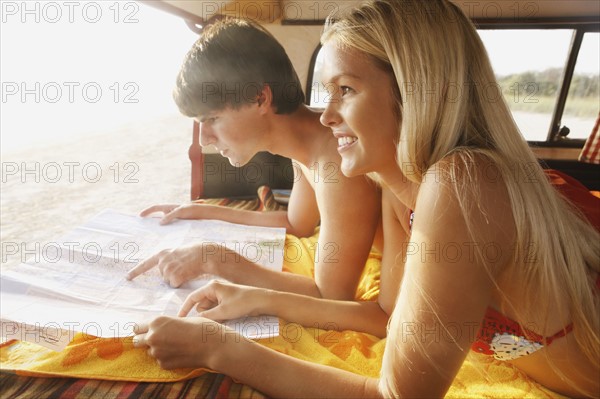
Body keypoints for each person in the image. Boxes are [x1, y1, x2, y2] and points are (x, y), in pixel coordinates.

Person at [133, 1, 600, 397]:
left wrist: (219, 348)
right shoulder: (401, 189)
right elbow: (385, 315)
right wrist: (252, 298)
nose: (327, 115)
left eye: (346, 90)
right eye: (327, 93)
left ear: (415, 93)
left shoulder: (462, 183)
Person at [127, 19, 382, 300]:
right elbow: (297, 224)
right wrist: (204, 211)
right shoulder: (308, 144)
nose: (204, 139)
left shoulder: (334, 160)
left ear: (260, 98)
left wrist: (214, 260)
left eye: (212, 118)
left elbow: (331, 296)